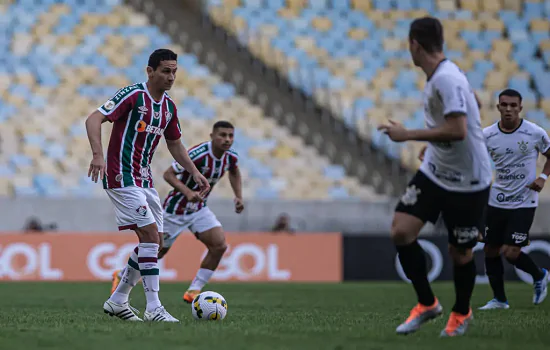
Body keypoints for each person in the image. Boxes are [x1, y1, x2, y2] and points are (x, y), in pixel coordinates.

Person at [378, 17, 492, 337]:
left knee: (461, 253)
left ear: (415, 43)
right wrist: (433, 145)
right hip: (436, 171)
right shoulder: (443, 76)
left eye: (408, 44)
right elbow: (475, 104)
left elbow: (458, 129)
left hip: (469, 180)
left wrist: (408, 135)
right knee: (401, 230)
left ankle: (461, 312)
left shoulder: (446, 79)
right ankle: (427, 304)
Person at [86, 48, 210, 322]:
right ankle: (154, 307)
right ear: (150, 71)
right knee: (151, 237)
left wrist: (195, 172)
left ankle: (118, 300)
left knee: (156, 241)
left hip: (144, 179)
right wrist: (97, 155)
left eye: (175, 71)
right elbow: (94, 118)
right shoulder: (133, 95)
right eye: (166, 70)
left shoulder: (168, 108)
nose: (171, 76)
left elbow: (175, 144)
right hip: (121, 175)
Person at [110, 121, 243, 304]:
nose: (227, 140)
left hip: (198, 209)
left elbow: (234, 172)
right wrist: (188, 192)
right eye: (222, 135)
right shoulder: (199, 154)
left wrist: (238, 196)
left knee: (219, 245)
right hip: (174, 210)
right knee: (157, 253)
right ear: (212, 136)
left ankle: (194, 290)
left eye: (230, 136)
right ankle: (122, 274)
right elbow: (168, 174)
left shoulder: (231, 157)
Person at [479, 89, 549, 310]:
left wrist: (543, 177)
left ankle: (539, 275)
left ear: (520, 108)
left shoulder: (535, 132)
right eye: (504, 105)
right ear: (498, 107)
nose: (508, 109)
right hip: (496, 200)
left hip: (524, 201)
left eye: (513, 105)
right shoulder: (487, 135)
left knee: (511, 253)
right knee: (490, 250)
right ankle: (499, 300)